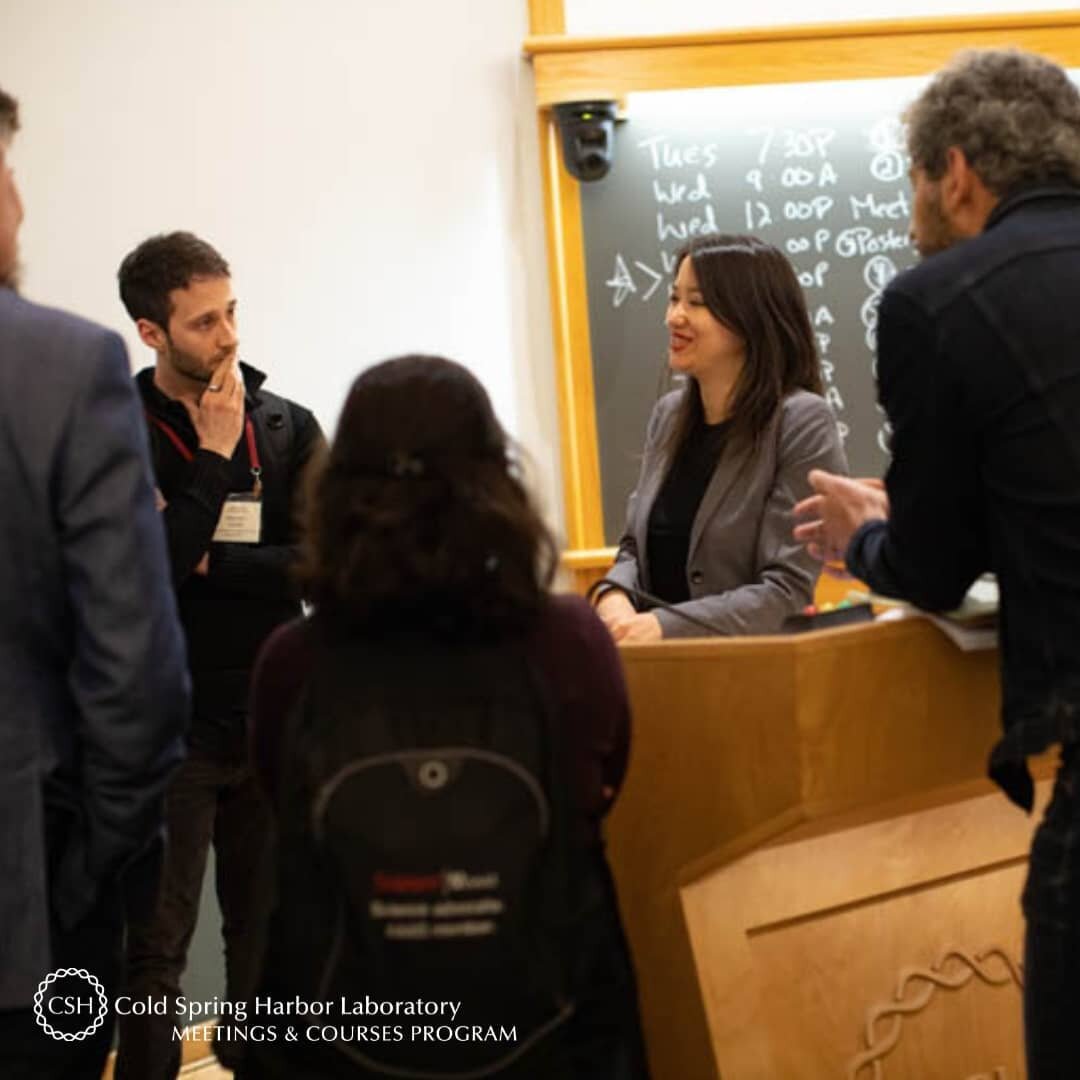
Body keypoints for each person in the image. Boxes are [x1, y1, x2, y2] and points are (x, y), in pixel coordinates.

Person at [791, 48, 1080, 1080]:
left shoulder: (938, 301)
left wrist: (870, 533)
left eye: (913, 180)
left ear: (954, 171)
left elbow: (934, 563)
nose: (912, 205)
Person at [240, 354, 648, 1079]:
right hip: (551, 1039)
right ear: (496, 481)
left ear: (337, 490)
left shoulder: (291, 662)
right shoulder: (570, 643)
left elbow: (284, 798)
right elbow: (604, 787)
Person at [0, 87, 189, 1079]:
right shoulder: (66, 370)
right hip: (28, 910)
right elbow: (135, 672)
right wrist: (88, 867)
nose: (22, 203)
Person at [114, 232, 324, 1079]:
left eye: (231, 311)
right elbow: (149, 570)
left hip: (270, 720)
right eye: (204, 322)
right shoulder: (116, 433)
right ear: (151, 333)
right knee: (155, 951)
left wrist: (212, 556)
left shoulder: (289, 426)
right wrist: (208, 458)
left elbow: (323, 565)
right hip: (170, 732)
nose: (230, 335)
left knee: (265, 938)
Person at [594, 234, 848, 642]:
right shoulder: (668, 415)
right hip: (656, 672)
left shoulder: (801, 421)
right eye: (674, 298)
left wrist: (662, 625)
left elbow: (786, 589)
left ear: (750, 318)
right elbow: (633, 550)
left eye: (696, 303)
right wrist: (613, 595)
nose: (674, 317)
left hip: (742, 679)